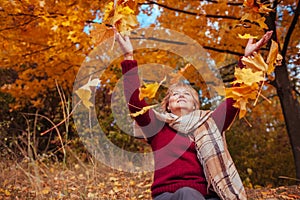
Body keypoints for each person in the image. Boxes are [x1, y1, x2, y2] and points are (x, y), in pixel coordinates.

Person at [115, 28, 273, 200]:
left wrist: (246, 60)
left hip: (205, 196)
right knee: (186, 193)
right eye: (175, 94)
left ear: (195, 105)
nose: (181, 95)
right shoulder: (157, 126)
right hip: (165, 196)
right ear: (167, 106)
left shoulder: (209, 123)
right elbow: (135, 103)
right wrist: (128, 57)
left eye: (187, 94)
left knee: (194, 194)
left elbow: (234, 99)